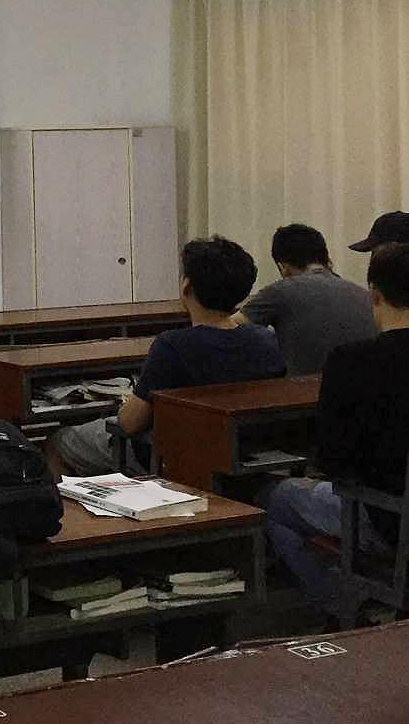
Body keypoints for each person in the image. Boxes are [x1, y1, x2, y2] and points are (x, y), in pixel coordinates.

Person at [46, 236, 283, 477]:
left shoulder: (173, 346)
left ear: (186, 286)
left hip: (171, 456)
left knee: (58, 442)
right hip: (240, 453)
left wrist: (128, 405)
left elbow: (130, 424)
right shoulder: (266, 340)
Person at [266, 243, 409, 617]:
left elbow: (334, 460)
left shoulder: (351, 361)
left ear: (374, 294)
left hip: (387, 520)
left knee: (277, 499)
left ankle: (345, 610)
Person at [240, 223, 376, 374]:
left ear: (283, 267)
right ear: (328, 261)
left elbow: (228, 327)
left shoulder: (280, 291)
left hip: (308, 388)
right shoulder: (364, 295)